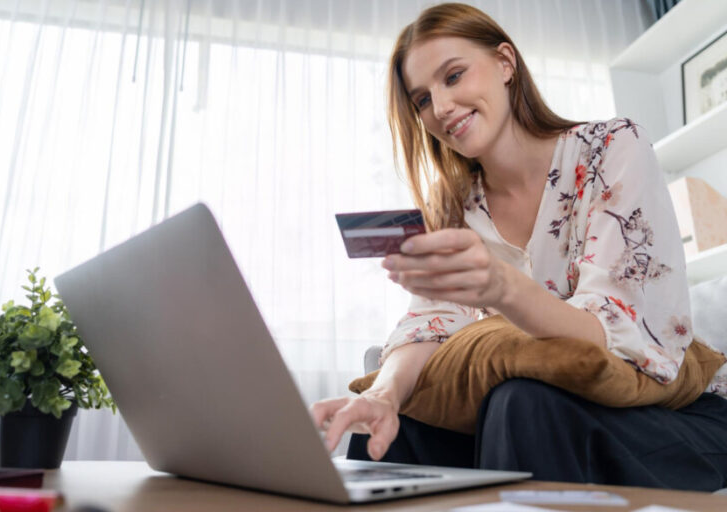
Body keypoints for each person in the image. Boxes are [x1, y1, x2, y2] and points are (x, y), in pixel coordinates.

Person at [309, 3, 727, 490]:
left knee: (520, 401)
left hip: (676, 417)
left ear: (505, 63)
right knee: (397, 425)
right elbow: (430, 320)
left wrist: (503, 288)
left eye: (454, 76)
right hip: (549, 418)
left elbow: (616, 334)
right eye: (422, 99)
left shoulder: (613, 148)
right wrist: (382, 396)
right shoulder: (455, 206)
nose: (440, 108)